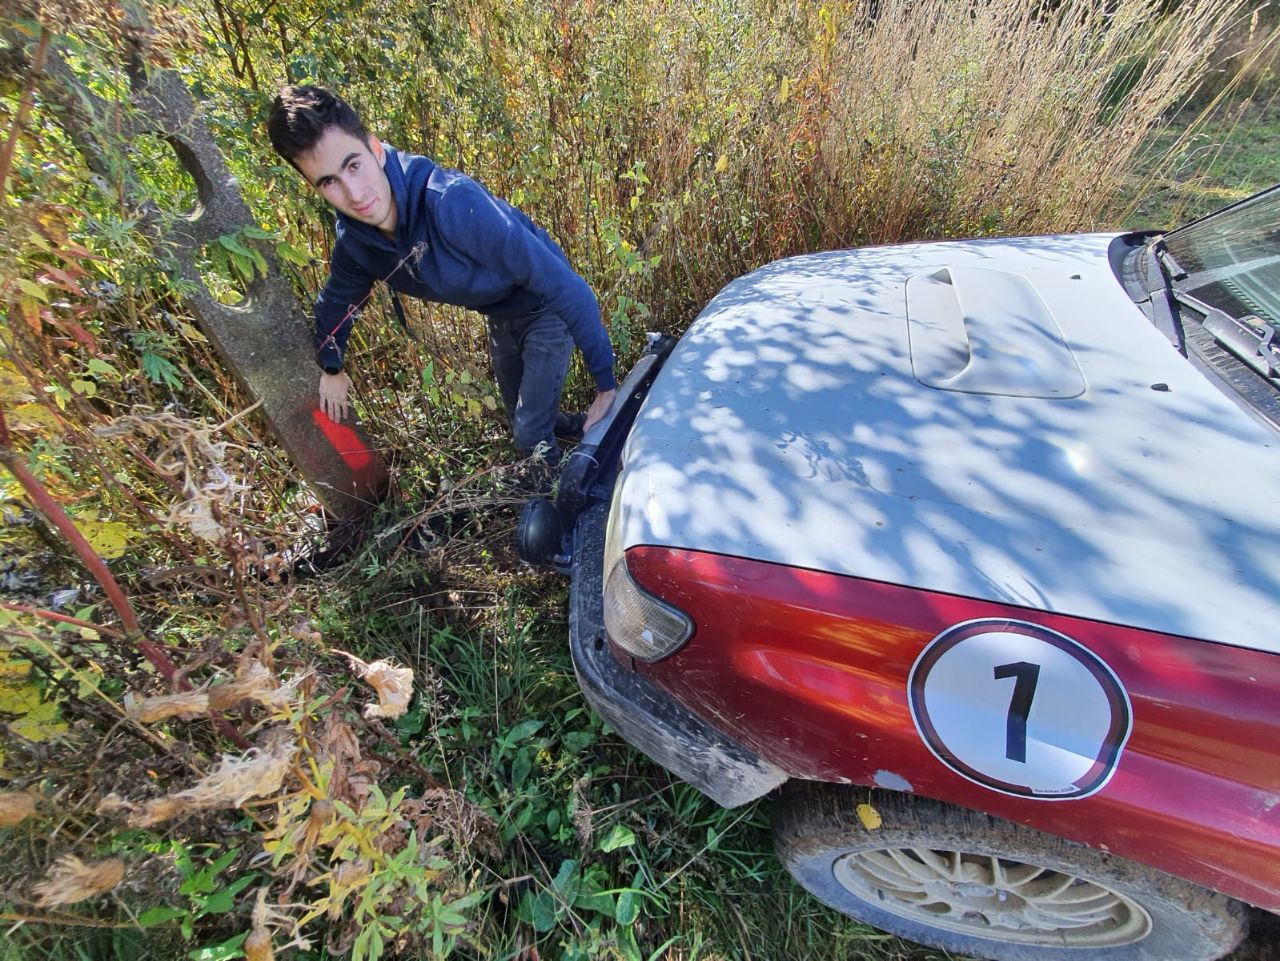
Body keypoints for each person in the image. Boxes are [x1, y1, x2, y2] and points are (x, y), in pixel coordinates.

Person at [266, 85, 616, 464]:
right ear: (313, 187)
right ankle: (576, 426)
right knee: (520, 414)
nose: (354, 194)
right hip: (500, 315)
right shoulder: (357, 241)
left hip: (545, 308)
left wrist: (605, 386)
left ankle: (558, 503)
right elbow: (338, 302)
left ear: (375, 150)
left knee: (529, 436)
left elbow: (566, 287)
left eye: (354, 165)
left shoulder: (451, 203)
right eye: (329, 181)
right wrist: (332, 366)